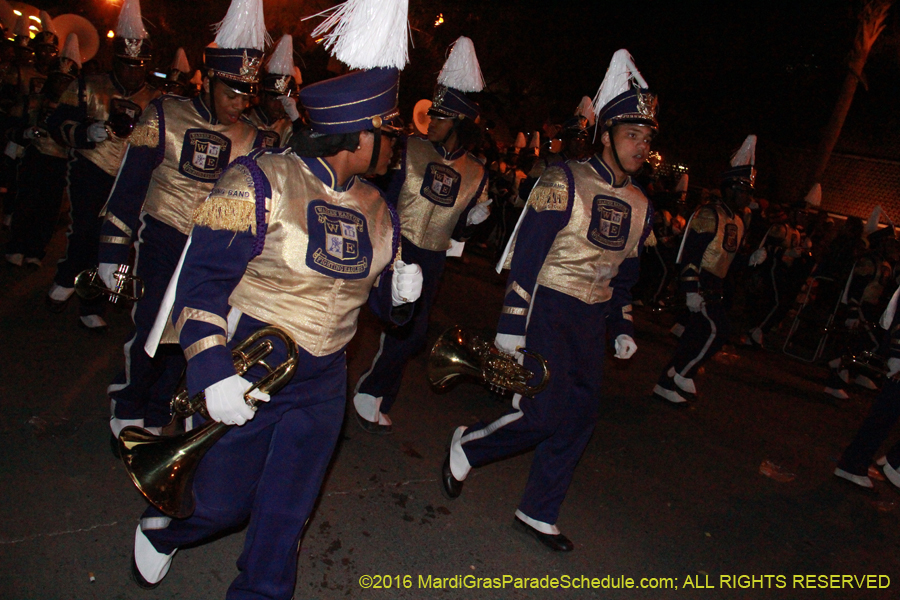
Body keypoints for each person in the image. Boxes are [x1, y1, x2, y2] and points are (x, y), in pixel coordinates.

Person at [129, 4, 422, 595]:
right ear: (357, 135)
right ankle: (167, 531)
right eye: (390, 134)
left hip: (325, 382)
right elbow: (202, 284)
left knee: (288, 514)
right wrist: (213, 371)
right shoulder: (258, 180)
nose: (398, 146)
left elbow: (375, 307)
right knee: (222, 503)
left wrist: (399, 298)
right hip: (250, 365)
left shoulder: (380, 209)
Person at [441, 49, 656, 552]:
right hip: (549, 308)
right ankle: (469, 444)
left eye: (647, 139)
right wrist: (511, 326)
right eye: (632, 135)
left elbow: (625, 276)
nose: (641, 147)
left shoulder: (642, 205)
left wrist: (622, 325)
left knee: (579, 418)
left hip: (592, 319)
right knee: (542, 412)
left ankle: (539, 510)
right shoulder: (564, 180)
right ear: (607, 134)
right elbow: (527, 258)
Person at [97, 0, 269, 443]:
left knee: (189, 336)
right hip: (162, 236)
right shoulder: (164, 114)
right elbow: (129, 185)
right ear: (208, 81)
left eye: (246, 95)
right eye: (231, 93)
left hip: (211, 252)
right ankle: (128, 403)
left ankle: (158, 408)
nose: (240, 104)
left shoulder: (253, 138)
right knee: (151, 324)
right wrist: (111, 250)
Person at [352, 36, 490, 434]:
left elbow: (459, 230)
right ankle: (371, 392)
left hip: (434, 257)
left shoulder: (477, 171)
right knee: (396, 325)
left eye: (440, 118)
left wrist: (474, 220)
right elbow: (381, 195)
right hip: (398, 245)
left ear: (458, 123)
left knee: (412, 335)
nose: (431, 122)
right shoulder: (409, 148)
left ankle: (376, 394)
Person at [44, 0, 161, 331]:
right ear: (115, 61)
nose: (132, 72)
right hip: (91, 169)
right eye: (126, 65)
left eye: (138, 66)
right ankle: (69, 277)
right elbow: (56, 124)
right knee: (85, 232)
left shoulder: (157, 100)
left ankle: (91, 303)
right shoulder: (89, 85)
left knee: (115, 241)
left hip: (131, 178)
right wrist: (85, 132)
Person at [652, 135, 754, 405]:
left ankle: (666, 382)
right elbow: (691, 254)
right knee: (718, 330)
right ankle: (684, 372)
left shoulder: (738, 220)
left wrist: (752, 259)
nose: (747, 197)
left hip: (716, 284)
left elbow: (728, 260)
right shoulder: (709, 214)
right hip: (701, 282)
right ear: (730, 189)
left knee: (694, 337)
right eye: (743, 190)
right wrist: (690, 289)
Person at [3, 34, 80, 268]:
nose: (61, 85)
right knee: (26, 204)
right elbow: (11, 128)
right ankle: (16, 247)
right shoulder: (34, 101)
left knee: (49, 210)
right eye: (58, 80)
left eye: (66, 81)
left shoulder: (76, 112)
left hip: (60, 164)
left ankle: (36, 250)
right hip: (34, 158)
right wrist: (25, 133)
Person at [246, 34, 302, 148]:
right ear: (263, 97)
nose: (278, 105)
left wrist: (297, 120)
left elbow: (307, 147)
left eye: (283, 100)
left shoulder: (288, 126)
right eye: (274, 99)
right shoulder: (246, 118)